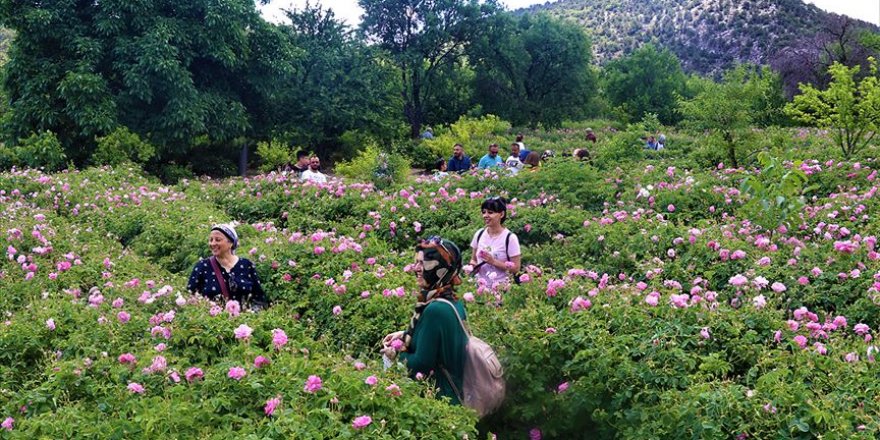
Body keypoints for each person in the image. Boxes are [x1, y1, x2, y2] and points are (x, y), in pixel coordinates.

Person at [381, 236, 468, 405]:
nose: (417, 268)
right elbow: (439, 342)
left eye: (424, 264)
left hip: (440, 400)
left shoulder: (435, 309)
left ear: (441, 268)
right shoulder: (452, 301)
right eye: (417, 262)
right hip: (457, 392)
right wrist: (406, 335)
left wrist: (395, 354)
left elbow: (420, 365)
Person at [187, 224, 268, 309]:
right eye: (211, 240)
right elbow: (190, 297)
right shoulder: (202, 266)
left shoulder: (246, 265)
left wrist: (250, 314)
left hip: (246, 316)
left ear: (231, 243)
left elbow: (259, 299)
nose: (213, 243)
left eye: (218, 240)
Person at [469, 197, 521, 289]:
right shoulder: (479, 234)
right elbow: (473, 260)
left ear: (501, 214)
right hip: (480, 289)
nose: (485, 215)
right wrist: (473, 267)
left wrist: (493, 261)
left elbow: (516, 268)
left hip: (502, 289)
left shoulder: (510, 238)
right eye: (484, 212)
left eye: (490, 212)